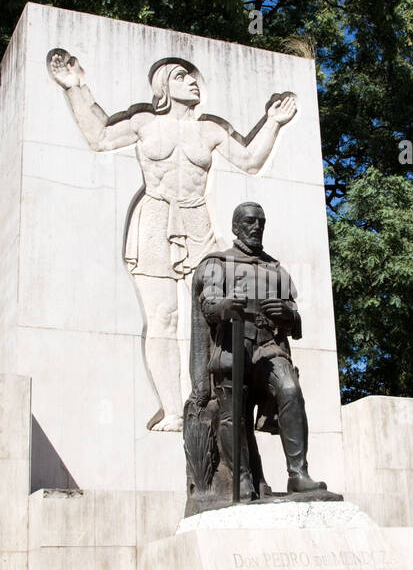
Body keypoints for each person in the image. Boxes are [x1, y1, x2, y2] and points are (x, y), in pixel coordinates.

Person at [48, 49, 296, 430]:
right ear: (164, 85)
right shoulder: (145, 122)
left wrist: (274, 123)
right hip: (153, 218)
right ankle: (173, 409)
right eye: (183, 76)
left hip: (197, 221)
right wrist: (74, 87)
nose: (194, 81)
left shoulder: (210, 130)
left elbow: (249, 161)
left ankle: (215, 401)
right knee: (163, 317)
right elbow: (98, 137)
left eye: (195, 77)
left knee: (214, 315)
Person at [189, 201, 326, 498]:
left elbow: (295, 321)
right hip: (232, 346)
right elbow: (208, 305)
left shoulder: (274, 269)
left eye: (261, 223)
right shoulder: (218, 263)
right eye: (250, 222)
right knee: (232, 413)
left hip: (268, 346)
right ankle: (241, 479)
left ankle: (298, 474)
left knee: (290, 391)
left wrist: (288, 314)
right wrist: (225, 305)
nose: (257, 228)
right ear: (236, 227)